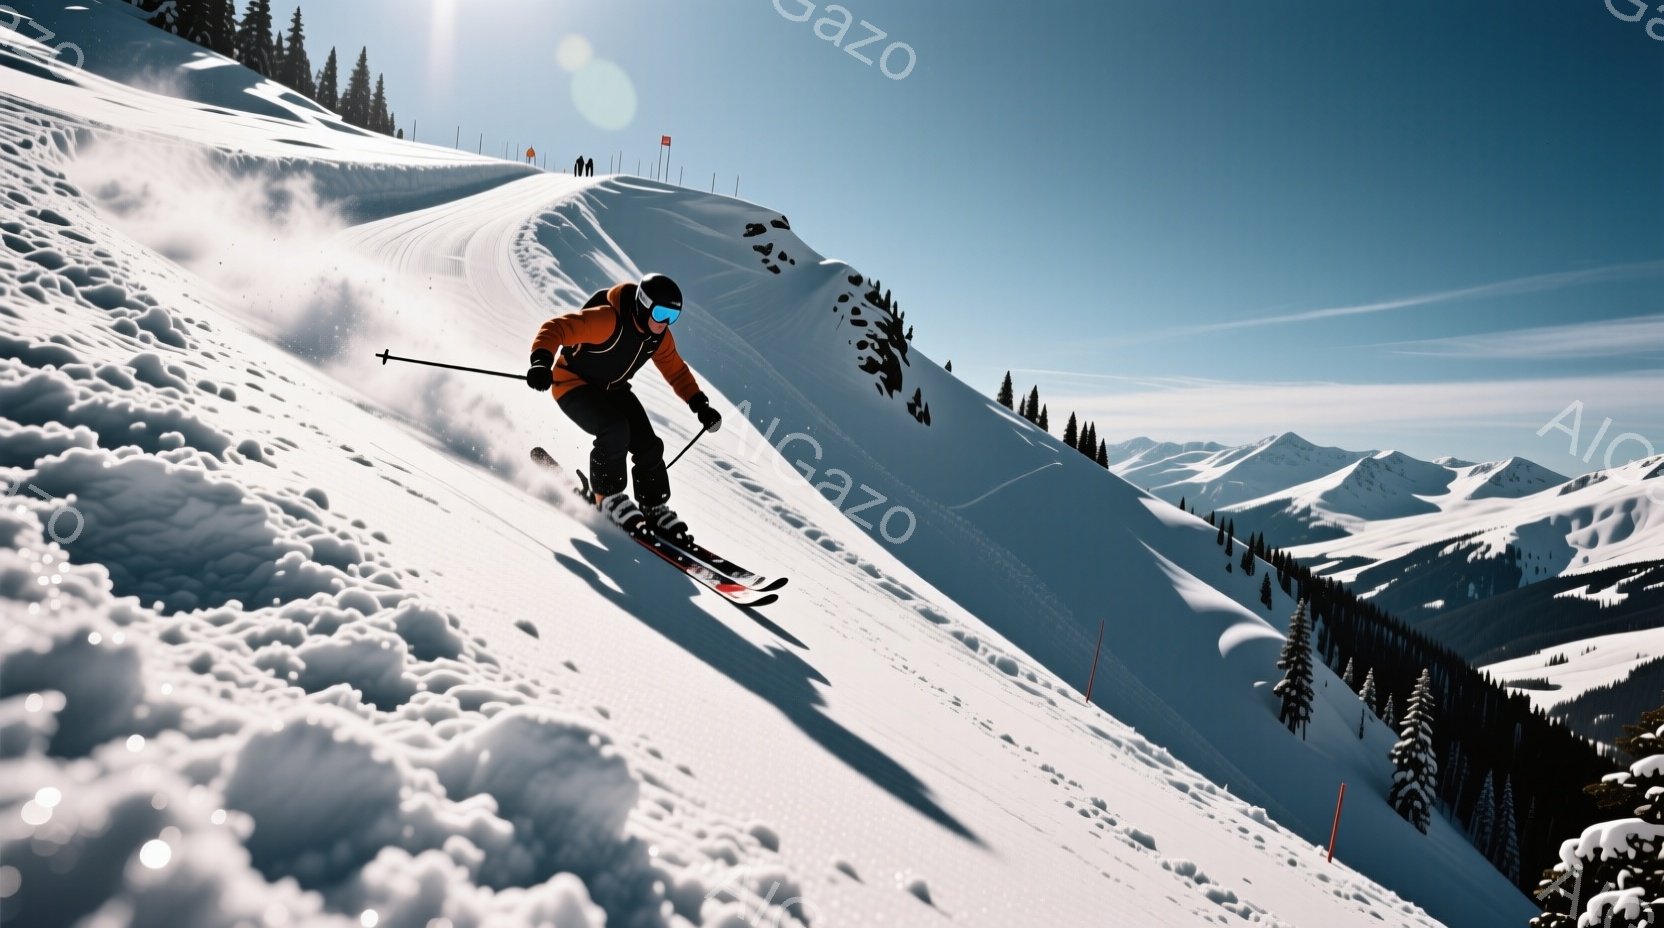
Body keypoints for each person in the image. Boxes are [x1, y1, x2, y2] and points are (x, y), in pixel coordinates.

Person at [526, 273, 722, 540]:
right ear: (643, 304)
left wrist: (700, 405)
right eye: (662, 313)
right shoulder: (608, 320)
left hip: (612, 388)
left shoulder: (659, 337)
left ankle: (653, 506)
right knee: (615, 430)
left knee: (648, 444)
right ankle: (607, 497)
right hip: (572, 383)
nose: (665, 323)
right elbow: (556, 328)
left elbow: (676, 371)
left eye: (672, 317)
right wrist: (541, 362)